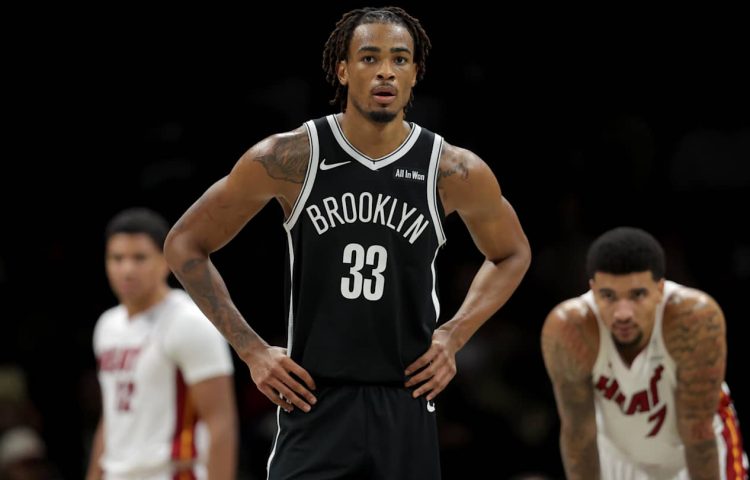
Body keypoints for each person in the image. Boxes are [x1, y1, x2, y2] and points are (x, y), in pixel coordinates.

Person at [164, 6, 531, 479]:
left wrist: (453, 335)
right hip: (314, 400)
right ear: (342, 70)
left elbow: (511, 253)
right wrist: (252, 350)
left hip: (406, 400)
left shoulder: (452, 169)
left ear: (415, 73)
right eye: (369, 57)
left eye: (400, 59)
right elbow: (184, 244)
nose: (385, 71)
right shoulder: (291, 156)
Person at [542, 226, 748, 479]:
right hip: (617, 456)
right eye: (608, 296)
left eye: (637, 295)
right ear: (593, 290)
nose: (623, 314)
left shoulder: (693, 320)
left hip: (694, 452)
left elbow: (698, 435)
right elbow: (578, 435)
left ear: (660, 289)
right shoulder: (570, 329)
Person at [86, 208, 238, 480]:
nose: (127, 269)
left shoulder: (189, 321)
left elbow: (221, 422)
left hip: (171, 472)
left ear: (165, 261)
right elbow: (112, 416)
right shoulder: (107, 326)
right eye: (117, 258)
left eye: (139, 258)